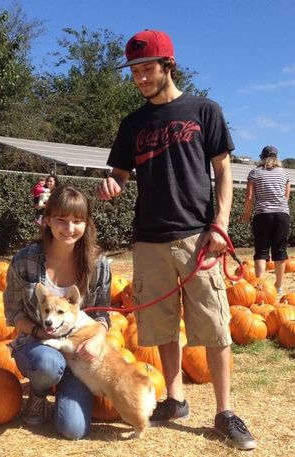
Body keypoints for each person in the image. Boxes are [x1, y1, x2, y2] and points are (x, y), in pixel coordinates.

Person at [96, 29, 257, 450]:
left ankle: (224, 412)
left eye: (146, 69)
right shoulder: (132, 123)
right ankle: (175, 399)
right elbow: (119, 175)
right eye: (133, 71)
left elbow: (223, 170)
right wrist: (110, 185)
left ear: (169, 64)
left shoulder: (205, 110)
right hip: (149, 240)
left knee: (217, 326)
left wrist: (220, 223)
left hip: (198, 236)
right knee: (162, 328)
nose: (139, 78)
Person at [4, 185, 111, 440]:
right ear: (48, 220)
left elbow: (103, 315)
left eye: (77, 221)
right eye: (61, 220)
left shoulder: (98, 265)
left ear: (87, 223)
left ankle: (66, 386)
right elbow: (14, 313)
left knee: (74, 430)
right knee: (48, 364)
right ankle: (39, 393)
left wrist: (98, 338)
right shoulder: (25, 260)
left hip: (78, 353)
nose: (69, 228)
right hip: (36, 345)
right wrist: (41, 332)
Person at [241, 145, 291, 294]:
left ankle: (260, 285)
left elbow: (249, 198)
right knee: (280, 250)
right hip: (282, 214)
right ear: (276, 158)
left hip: (262, 214)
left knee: (261, 251)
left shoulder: (254, 173)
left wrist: (246, 215)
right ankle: (278, 286)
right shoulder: (284, 174)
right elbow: (286, 197)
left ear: (262, 157)